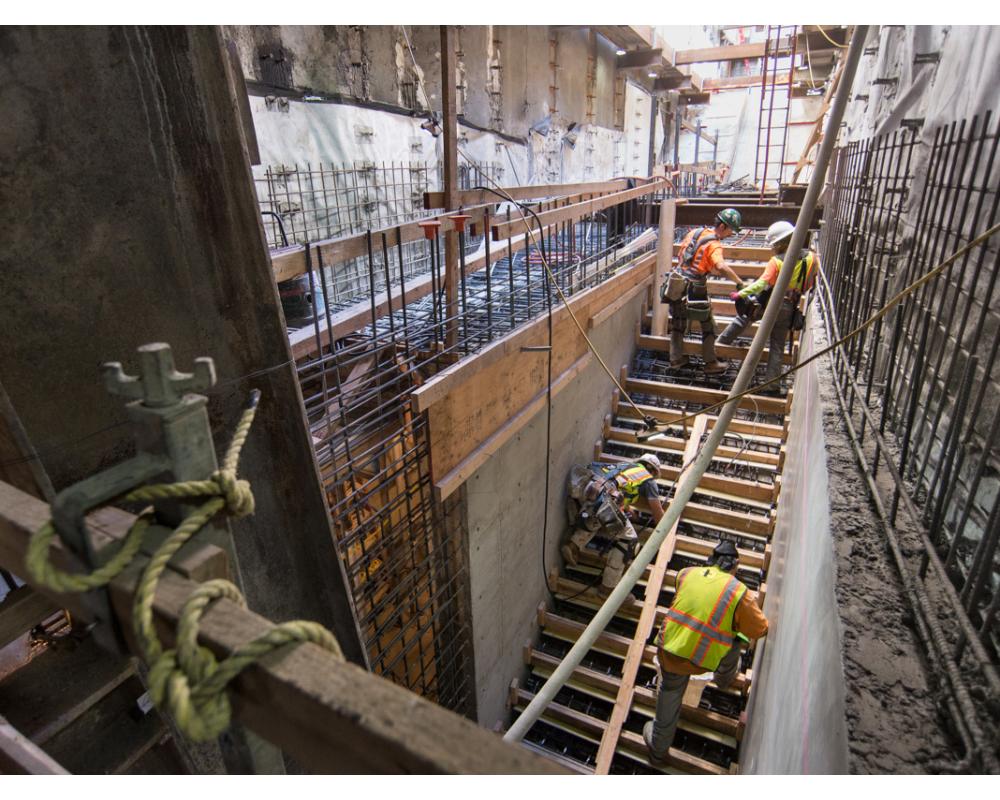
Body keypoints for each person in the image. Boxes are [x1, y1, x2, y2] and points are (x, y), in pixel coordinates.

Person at [643, 539, 768, 767]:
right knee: (737, 639)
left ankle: (658, 751)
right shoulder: (739, 591)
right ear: (735, 565)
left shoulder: (686, 573)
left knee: (670, 691)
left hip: (670, 650)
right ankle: (723, 679)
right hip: (703, 659)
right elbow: (760, 629)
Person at [717, 220, 819, 395]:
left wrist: (740, 294)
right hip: (789, 305)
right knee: (777, 344)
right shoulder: (811, 258)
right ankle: (772, 386)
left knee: (744, 318)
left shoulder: (776, 261)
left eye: (774, 245)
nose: (772, 248)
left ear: (781, 243)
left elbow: (762, 284)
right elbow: (810, 283)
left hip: (771, 303)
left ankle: (719, 346)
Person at [562, 453, 664, 597]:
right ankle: (607, 588)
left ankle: (572, 545)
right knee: (629, 540)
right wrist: (665, 529)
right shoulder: (648, 479)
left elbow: (617, 489)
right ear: (652, 470)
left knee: (605, 515)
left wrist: (632, 515)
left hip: (588, 490)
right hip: (603, 499)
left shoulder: (626, 466)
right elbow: (657, 510)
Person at [662, 209, 745, 375]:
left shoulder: (695, 232)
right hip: (694, 287)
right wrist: (739, 282)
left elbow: (683, 255)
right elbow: (721, 266)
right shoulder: (714, 245)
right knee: (708, 325)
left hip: (676, 282)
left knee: (678, 323)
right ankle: (710, 362)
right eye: (730, 230)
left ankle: (676, 360)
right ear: (722, 226)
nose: (731, 235)